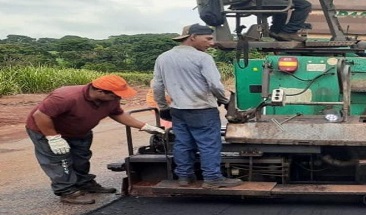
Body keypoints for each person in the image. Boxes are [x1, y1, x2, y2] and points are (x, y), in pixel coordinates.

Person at [25, 75, 165, 205]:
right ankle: (67, 191)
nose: (118, 98)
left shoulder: (110, 100)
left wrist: (145, 126)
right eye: (115, 95)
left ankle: (84, 183)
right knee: (60, 160)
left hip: (79, 131)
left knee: (81, 158)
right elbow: (41, 116)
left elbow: (118, 114)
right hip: (47, 131)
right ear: (100, 91)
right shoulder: (66, 97)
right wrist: (53, 138)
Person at [152, 24, 243, 189]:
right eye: (208, 38)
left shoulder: (163, 57)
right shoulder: (203, 58)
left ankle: (185, 177)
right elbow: (215, 85)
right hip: (202, 109)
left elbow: (157, 86)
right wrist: (225, 100)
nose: (211, 43)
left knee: (183, 143)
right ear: (193, 37)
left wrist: (163, 107)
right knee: (209, 143)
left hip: (178, 109)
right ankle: (212, 178)